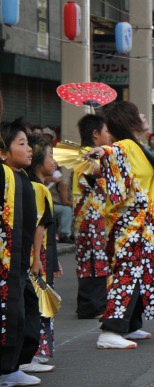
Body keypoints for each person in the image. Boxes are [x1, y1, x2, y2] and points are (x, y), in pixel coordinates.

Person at [89, 101, 154, 349]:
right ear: (130, 122)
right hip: (131, 226)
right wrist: (102, 152)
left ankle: (129, 325)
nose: (144, 115)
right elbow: (112, 151)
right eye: (139, 113)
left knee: (140, 275)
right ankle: (110, 330)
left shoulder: (137, 147)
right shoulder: (126, 145)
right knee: (127, 274)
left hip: (142, 224)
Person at [0, 117, 42, 386]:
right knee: (10, 314)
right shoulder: (3, 175)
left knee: (23, 312)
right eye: (22, 143)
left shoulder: (21, 177)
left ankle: (11, 367)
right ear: (3, 152)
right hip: (6, 262)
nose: (29, 149)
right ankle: (6, 371)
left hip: (19, 261)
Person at [26, 137, 60, 373]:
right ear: (39, 161)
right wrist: (39, 259)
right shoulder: (38, 189)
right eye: (50, 156)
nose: (54, 161)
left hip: (37, 256)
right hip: (36, 257)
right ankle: (35, 352)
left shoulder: (35, 186)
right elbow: (40, 226)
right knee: (40, 304)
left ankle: (35, 351)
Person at [73, 114, 111, 321]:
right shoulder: (86, 155)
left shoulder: (91, 153)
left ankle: (92, 305)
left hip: (95, 219)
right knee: (93, 261)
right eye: (106, 131)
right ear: (95, 134)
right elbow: (97, 170)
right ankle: (92, 306)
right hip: (89, 220)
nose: (108, 136)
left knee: (94, 260)